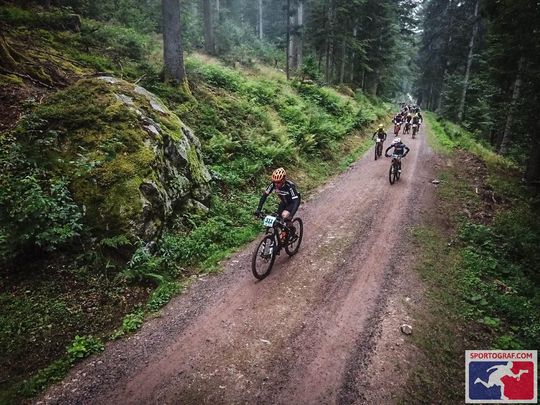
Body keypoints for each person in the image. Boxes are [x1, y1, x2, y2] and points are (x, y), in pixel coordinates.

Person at [255, 167, 301, 239]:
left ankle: (292, 230)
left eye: (278, 182)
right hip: (284, 202)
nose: (276, 184)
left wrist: (291, 216)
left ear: (283, 180)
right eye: (275, 182)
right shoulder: (273, 184)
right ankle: (282, 235)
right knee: (277, 218)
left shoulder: (289, 186)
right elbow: (264, 196)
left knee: (285, 215)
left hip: (293, 202)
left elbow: (296, 201)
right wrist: (258, 209)